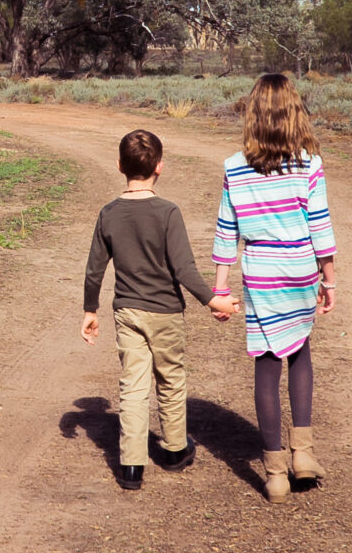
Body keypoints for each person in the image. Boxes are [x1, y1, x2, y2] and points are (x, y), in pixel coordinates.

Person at [82, 128, 239, 491]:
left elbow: (94, 269)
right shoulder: (168, 212)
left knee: (133, 387)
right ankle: (173, 451)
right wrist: (212, 299)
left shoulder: (109, 214)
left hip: (127, 313)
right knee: (170, 379)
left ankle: (131, 466)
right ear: (160, 167)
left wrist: (91, 311)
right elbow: (183, 269)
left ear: (120, 165)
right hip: (166, 312)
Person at [212, 74, 338, 502]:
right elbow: (319, 224)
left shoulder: (233, 167)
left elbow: (227, 230)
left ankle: (275, 473)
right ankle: (302, 455)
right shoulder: (309, 164)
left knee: (266, 367)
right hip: (300, 268)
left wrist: (220, 288)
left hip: (261, 271)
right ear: (294, 113)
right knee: (300, 352)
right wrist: (330, 278)